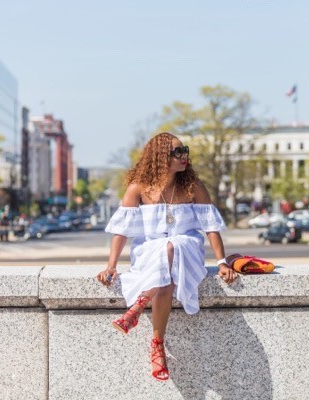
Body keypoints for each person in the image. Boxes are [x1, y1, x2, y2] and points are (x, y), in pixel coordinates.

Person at [96, 132, 238, 381]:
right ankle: (157, 345)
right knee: (165, 275)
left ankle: (138, 306)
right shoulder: (138, 188)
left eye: (185, 152)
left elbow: (210, 227)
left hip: (187, 251)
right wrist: (111, 266)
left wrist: (222, 262)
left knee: (173, 246)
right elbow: (122, 231)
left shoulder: (193, 187)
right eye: (177, 152)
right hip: (151, 253)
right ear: (161, 157)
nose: (184, 157)